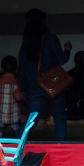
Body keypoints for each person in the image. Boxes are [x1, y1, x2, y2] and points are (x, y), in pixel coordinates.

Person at [18, 8, 72, 142]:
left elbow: (22, 68)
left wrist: (23, 88)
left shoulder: (26, 43)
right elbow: (61, 60)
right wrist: (67, 51)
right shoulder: (51, 39)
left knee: (32, 119)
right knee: (59, 118)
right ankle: (61, 147)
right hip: (53, 84)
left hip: (33, 86)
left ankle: (16, 146)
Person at [0, 55, 22, 138]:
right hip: (13, 115)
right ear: (16, 69)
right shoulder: (15, 82)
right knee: (18, 132)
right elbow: (18, 98)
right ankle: (18, 146)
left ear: (2, 69)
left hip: (0, 114)